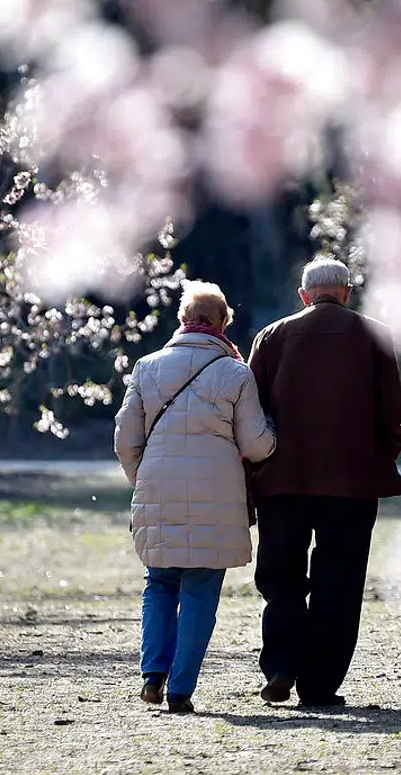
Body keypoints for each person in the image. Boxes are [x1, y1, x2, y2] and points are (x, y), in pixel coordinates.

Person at [247, 257, 401, 708]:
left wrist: (255, 471)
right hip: (352, 484)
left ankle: (280, 665)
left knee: (282, 580)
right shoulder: (375, 335)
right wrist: (378, 460)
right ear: (347, 292)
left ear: (304, 295)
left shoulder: (272, 336)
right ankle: (319, 687)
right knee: (339, 584)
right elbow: (391, 410)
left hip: (283, 481)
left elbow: (253, 413)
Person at [114, 280, 275, 714]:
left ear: (183, 320)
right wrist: (275, 437)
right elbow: (257, 444)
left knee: (160, 584)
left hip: (157, 488)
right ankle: (181, 689)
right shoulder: (236, 373)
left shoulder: (146, 367)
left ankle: (153, 675)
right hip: (218, 496)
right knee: (201, 591)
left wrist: (143, 480)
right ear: (223, 323)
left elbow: (126, 439)